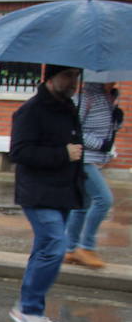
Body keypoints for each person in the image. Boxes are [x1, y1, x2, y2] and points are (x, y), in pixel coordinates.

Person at [9, 63, 84, 322]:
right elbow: (19, 152)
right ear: (51, 77)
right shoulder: (31, 111)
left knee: (44, 249)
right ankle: (28, 310)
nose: (73, 81)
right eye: (68, 76)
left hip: (62, 191)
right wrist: (62, 154)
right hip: (38, 192)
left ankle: (31, 310)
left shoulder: (67, 107)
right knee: (55, 246)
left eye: (76, 76)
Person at [65, 81, 122, 269]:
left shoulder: (109, 97)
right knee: (104, 199)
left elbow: (103, 130)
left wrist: (116, 120)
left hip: (94, 158)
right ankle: (86, 247)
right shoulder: (85, 98)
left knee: (82, 205)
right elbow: (74, 130)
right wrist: (101, 145)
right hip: (83, 159)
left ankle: (70, 249)